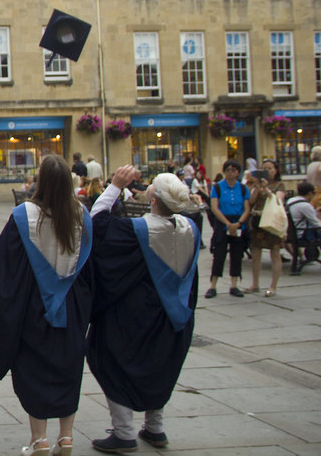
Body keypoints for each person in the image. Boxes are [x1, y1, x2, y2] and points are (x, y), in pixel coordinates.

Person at [87, 167, 199, 454]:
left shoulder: (138, 231)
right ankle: (155, 427)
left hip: (134, 315)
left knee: (113, 362)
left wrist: (114, 187)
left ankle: (123, 433)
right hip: (174, 315)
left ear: (153, 199)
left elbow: (96, 224)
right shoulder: (191, 229)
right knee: (161, 366)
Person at [0, 155, 93, 456]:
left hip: (34, 307)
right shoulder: (82, 214)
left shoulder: (25, 214)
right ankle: (66, 437)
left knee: (33, 370)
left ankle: (40, 439)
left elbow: (7, 262)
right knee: (70, 369)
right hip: (71, 307)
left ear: (41, 180)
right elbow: (90, 269)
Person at [205, 160, 250, 299]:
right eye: (228, 170)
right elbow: (214, 207)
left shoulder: (243, 188)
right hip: (222, 223)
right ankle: (213, 285)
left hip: (238, 222)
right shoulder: (217, 187)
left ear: (238, 172)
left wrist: (239, 223)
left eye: (234, 170)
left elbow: (247, 207)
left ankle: (234, 284)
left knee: (237, 254)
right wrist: (227, 223)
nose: (231, 173)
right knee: (219, 254)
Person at [246, 158, 286, 297]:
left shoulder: (279, 185)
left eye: (270, 168)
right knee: (256, 253)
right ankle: (255, 284)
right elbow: (251, 202)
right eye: (264, 169)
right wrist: (256, 188)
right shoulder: (258, 185)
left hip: (272, 222)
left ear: (275, 170)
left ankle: (273, 286)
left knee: (275, 253)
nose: (267, 171)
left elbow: (278, 200)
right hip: (258, 222)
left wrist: (267, 189)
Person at [287, 181, 321, 247]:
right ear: (310, 193)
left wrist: (315, 211)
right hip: (301, 234)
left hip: (291, 232)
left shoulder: (290, 201)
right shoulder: (306, 205)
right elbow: (316, 223)